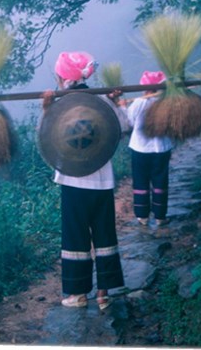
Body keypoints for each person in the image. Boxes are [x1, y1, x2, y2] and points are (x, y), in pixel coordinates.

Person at [42, 51, 128, 309]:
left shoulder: (58, 104)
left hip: (73, 181)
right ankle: (104, 294)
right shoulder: (101, 99)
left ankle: (77, 294)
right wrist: (118, 103)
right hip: (102, 181)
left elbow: (46, 136)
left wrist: (46, 109)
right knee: (104, 233)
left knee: (75, 236)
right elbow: (123, 126)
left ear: (61, 77)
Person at [126, 70, 174, 227]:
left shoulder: (139, 103)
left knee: (140, 181)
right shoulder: (167, 102)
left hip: (140, 148)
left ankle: (142, 217)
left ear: (145, 88)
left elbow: (131, 121)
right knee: (160, 181)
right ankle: (160, 217)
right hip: (162, 148)